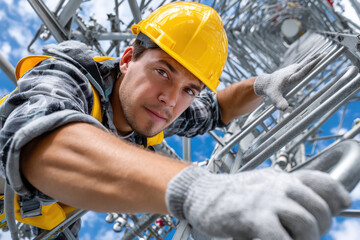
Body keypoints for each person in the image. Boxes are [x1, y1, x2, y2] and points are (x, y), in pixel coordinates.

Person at [0, 1, 351, 239]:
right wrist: (197, 189)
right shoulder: (70, 74)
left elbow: (218, 109)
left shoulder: (158, 111)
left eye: (190, 89)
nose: (171, 99)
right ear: (126, 59)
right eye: (163, 72)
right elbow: (37, 141)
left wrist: (260, 85)